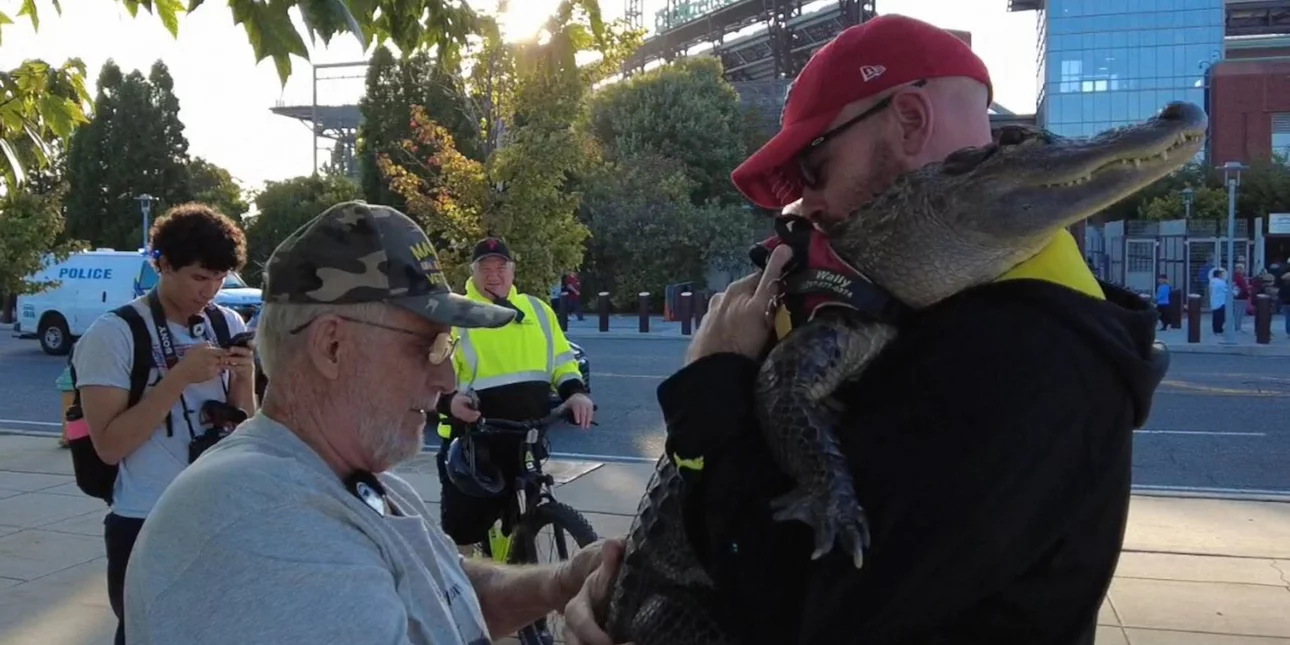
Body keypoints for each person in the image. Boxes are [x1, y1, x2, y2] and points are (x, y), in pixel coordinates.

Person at [564, 15, 1169, 645]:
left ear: (909, 120)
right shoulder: (930, 310)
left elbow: (801, 611)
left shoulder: (1021, 358)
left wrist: (712, 387)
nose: (802, 208)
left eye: (816, 170)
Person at [123, 201, 622, 645]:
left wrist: (558, 585)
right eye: (427, 345)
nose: (445, 377)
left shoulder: (357, 482)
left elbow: (447, 591)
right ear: (332, 346)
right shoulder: (264, 529)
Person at [71, 203, 254, 645]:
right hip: (144, 518)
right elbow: (110, 446)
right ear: (162, 264)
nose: (209, 290)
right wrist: (177, 379)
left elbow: (245, 427)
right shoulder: (114, 334)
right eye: (198, 277)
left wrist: (246, 376)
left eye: (219, 278)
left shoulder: (224, 322)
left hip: (215, 513)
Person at [435, 237, 595, 556]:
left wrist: (575, 394)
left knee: (528, 511)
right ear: (473, 272)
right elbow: (431, 372)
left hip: (526, 435)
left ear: (513, 270)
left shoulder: (537, 310)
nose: (494, 275)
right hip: (474, 442)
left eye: (500, 267)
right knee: (464, 534)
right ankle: (466, 596)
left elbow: (562, 361)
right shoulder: (456, 315)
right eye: (485, 268)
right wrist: (449, 401)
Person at [1210, 267, 1229, 335]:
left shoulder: (1212, 282)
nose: (1223, 276)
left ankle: (1216, 329)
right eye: (1221, 274)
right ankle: (1218, 329)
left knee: (1216, 316)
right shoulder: (1220, 282)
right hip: (1221, 301)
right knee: (1220, 316)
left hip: (1215, 301)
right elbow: (1226, 290)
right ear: (1218, 275)